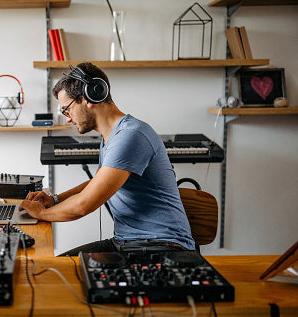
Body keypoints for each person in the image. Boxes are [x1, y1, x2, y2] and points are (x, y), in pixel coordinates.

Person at [19, 62, 195, 256]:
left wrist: (41, 213)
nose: (67, 118)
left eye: (66, 109)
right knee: (53, 269)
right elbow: (96, 184)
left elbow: (83, 205)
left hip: (161, 247)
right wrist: (55, 199)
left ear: (89, 98)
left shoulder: (131, 135)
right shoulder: (111, 137)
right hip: (127, 242)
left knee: (56, 275)